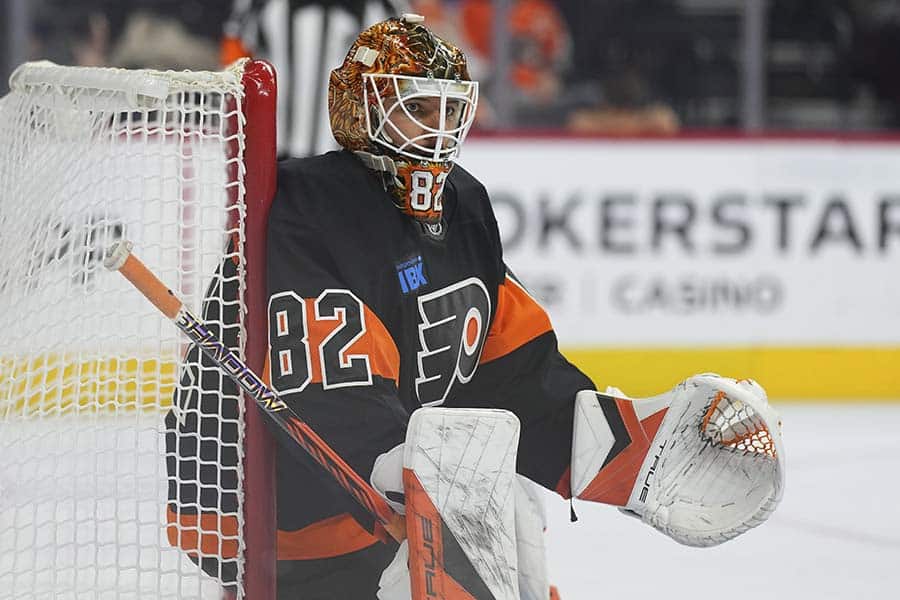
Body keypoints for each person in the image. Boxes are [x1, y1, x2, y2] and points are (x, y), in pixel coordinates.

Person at [167, 14, 784, 600]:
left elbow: (515, 371)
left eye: (448, 109)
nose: (437, 128)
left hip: (373, 503)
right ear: (363, 110)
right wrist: (423, 479)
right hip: (262, 513)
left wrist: (623, 451)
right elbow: (333, 391)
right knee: (476, 493)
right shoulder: (308, 207)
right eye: (417, 109)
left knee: (509, 504)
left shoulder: (461, 205)